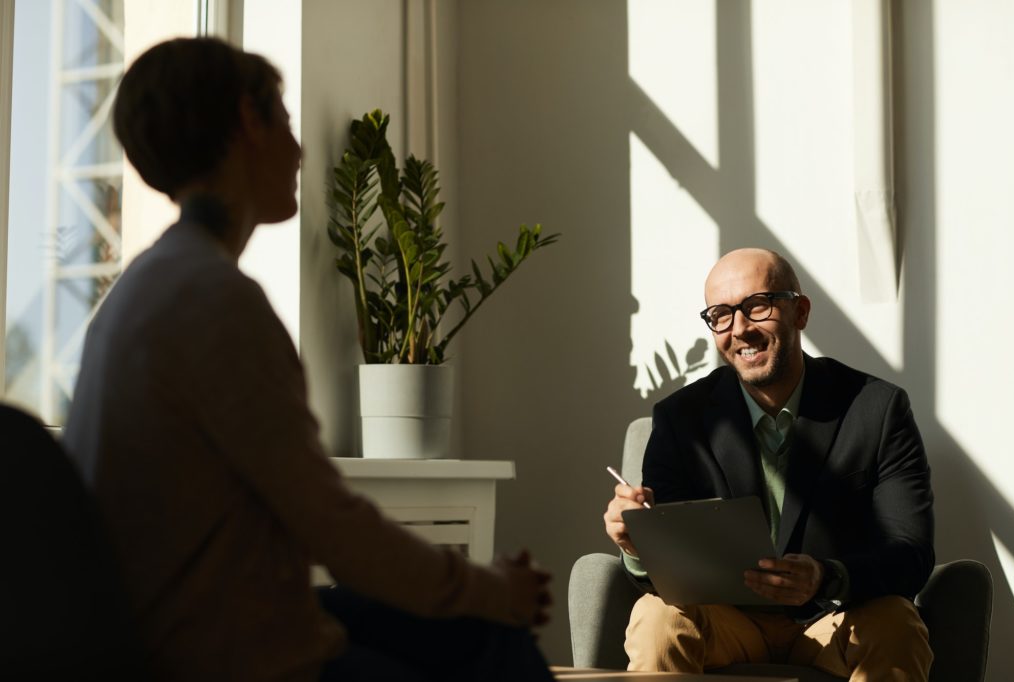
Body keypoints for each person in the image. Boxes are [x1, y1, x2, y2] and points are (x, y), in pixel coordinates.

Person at [63, 37, 553, 682]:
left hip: (160, 635)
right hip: (222, 657)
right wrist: (494, 590)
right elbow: (335, 533)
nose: (298, 151)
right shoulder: (215, 302)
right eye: (286, 122)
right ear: (247, 120)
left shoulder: (144, 291)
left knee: (459, 624)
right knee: (493, 635)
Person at [603, 248, 935, 681]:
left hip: (834, 619)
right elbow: (669, 573)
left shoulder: (878, 408)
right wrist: (636, 546)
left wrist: (826, 577)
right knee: (655, 617)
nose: (740, 329)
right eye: (721, 315)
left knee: (897, 623)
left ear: (800, 311)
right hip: (727, 623)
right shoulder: (680, 418)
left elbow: (911, 552)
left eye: (757, 306)